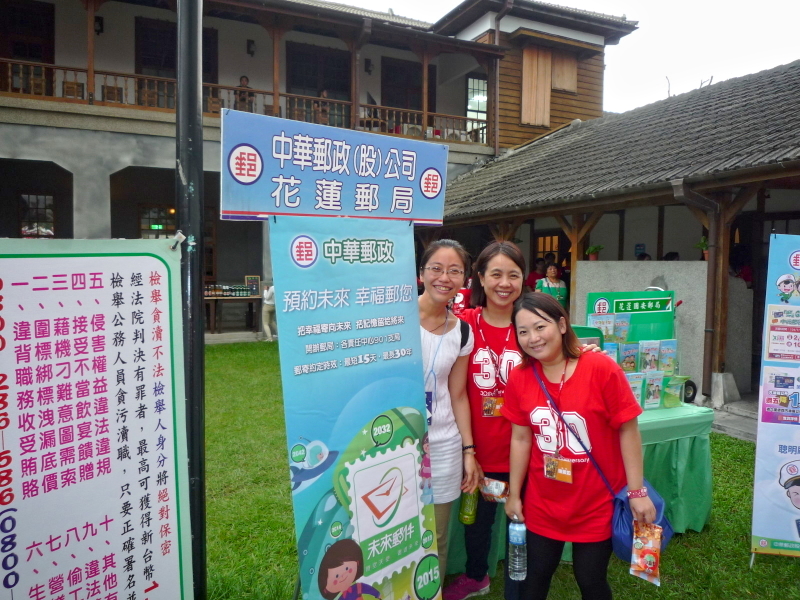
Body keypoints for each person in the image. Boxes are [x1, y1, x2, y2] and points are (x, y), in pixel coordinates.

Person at [502, 292, 656, 600]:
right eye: (523, 331)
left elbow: (628, 430)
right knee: (535, 579)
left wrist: (637, 492)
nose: (532, 338)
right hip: (543, 502)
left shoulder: (600, 368)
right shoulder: (520, 378)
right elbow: (520, 438)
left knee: (591, 580)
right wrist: (515, 495)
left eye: (539, 326)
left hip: (595, 502)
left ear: (561, 325)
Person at [445, 241, 527, 600]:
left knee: (520, 522)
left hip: (525, 450)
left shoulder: (531, 325)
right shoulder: (463, 323)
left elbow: (566, 349)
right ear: (480, 277)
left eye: (513, 274)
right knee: (477, 524)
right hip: (476, 449)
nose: (504, 283)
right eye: (496, 273)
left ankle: (521, 579)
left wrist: (587, 349)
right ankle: (477, 575)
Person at [417, 239, 480, 577]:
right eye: (436, 268)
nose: (445, 277)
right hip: (395, 442)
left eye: (455, 271)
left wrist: (468, 450)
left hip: (443, 444)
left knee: (436, 538)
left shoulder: (463, 332)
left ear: (464, 279)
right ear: (421, 273)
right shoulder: (394, 322)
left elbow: (457, 395)